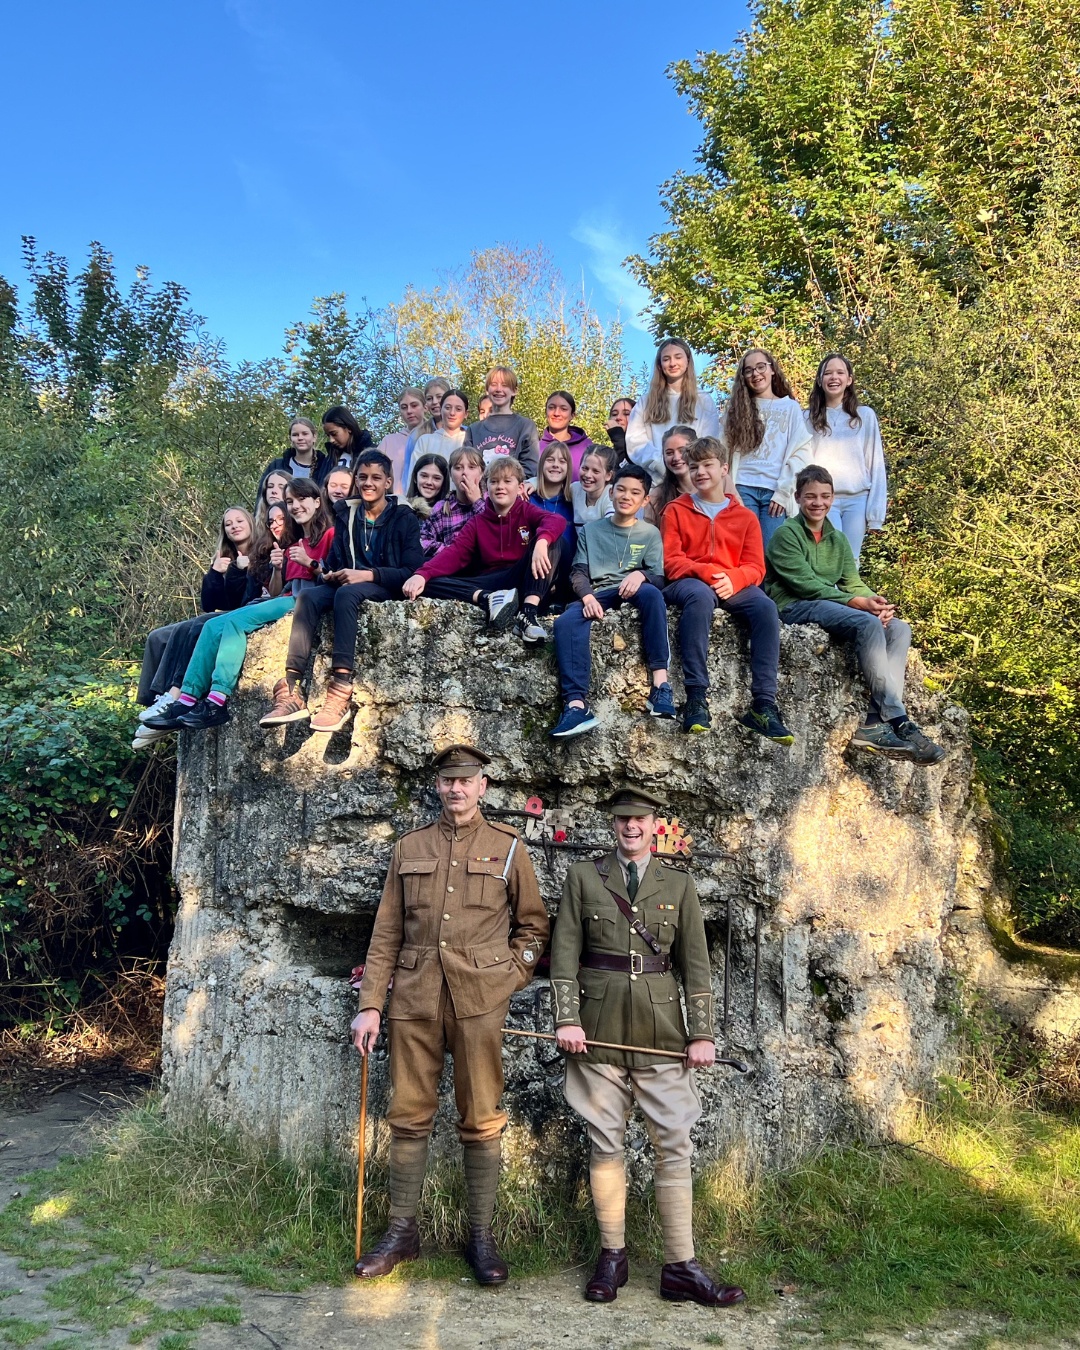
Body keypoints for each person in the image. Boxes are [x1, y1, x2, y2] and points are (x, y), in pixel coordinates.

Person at [351, 744, 549, 1286]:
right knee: (408, 1112)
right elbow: (386, 933)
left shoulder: (508, 847)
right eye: (447, 781)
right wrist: (371, 1005)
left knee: (481, 1115)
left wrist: (508, 977)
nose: (456, 789)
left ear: (482, 786)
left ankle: (480, 1236)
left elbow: (534, 927)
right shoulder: (409, 847)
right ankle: (402, 1232)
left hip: (479, 1001)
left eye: (466, 781)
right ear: (437, 786)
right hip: (414, 999)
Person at [550, 785, 745, 1309]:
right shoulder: (584, 876)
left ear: (655, 824)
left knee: (674, 1143)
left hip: (662, 1032)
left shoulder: (678, 884)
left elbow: (696, 965)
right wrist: (567, 1019)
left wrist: (701, 1033)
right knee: (605, 1143)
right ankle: (612, 1257)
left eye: (639, 819)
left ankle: (680, 1266)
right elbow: (564, 954)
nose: (631, 827)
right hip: (597, 1028)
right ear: (613, 824)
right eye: (622, 819)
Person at [765, 465, 945, 764]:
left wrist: (875, 601)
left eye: (825, 496)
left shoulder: (837, 539)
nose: (818, 503)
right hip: (794, 605)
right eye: (810, 496)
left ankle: (874, 722)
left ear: (832, 497)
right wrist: (857, 603)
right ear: (797, 498)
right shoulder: (786, 534)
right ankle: (899, 720)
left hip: (828, 604)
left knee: (899, 629)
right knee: (866, 621)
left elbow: (852, 581)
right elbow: (805, 584)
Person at [143, 479, 334, 733]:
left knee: (234, 622)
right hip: (284, 597)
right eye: (290, 502)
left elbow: (334, 577)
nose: (295, 506)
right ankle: (186, 699)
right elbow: (276, 590)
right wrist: (278, 568)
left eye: (301, 499)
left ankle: (217, 699)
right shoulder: (295, 542)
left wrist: (311, 563)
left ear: (317, 502)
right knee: (211, 626)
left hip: (303, 600)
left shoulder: (329, 535)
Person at [260, 450, 425, 732]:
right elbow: (334, 563)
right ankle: (292, 687)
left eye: (376, 478)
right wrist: (329, 572)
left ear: (388, 482)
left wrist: (367, 574)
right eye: (362, 477)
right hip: (350, 583)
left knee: (346, 595)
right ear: (356, 481)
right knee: (309, 596)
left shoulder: (403, 517)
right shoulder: (346, 514)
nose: (368, 483)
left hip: (387, 585)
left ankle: (340, 689)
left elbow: (411, 569)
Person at [662, 437, 792, 743]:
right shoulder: (675, 510)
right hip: (690, 580)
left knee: (765, 607)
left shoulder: (745, 517)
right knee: (699, 597)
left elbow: (756, 567)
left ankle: (763, 705)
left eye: (707, 465)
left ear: (724, 469)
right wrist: (708, 573)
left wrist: (734, 578)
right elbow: (671, 562)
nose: (700, 472)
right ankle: (696, 698)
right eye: (694, 467)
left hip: (733, 582)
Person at [550, 463, 675, 739]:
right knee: (566, 622)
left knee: (652, 594)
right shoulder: (591, 531)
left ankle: (661, 686)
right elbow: (578, 572)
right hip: (600, 592)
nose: (626, 496)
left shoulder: (649, 533)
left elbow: (658, 578)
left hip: (634, 589)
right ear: (610, 492)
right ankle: (576, 706)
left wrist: (641, 575)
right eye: (621, 489)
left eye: (635, 492)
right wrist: (587, 597)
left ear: (645, 500)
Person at [134, 506, 262, 747]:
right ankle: (155, 703)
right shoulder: (225, 557)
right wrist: (214, 573)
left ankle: (176, 693)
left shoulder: (261, 553)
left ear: (251, 523)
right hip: (222, 611)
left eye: (239, 521)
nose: (234, 526)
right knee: (157, 637)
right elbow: (210, 604)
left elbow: (243, 600)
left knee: (194, 627)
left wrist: (239, 570)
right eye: (228, 524)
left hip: (242, 612)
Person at [403, 456, 564, 645]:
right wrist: (422, 574)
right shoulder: (477, 523)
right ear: (486, 488)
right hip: (492, 583)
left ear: (520, 487)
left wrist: (542, 542)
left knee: (555, 541)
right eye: (494, 482)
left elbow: (556, 520)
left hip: (524, 579)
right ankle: (487, 598)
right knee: (428, 583)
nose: (500, 487)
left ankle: (528, 614)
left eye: (507, 481)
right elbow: (454, 553)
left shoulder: (526, 510)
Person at [723, 348, 812, 549]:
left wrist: (784, 492)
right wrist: (731, 492)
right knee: (746, 550)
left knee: (771, 552)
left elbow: (801, 454)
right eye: (749, 370)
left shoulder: (790, 407)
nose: (756, 373)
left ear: (772, 370)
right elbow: (722, 454)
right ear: (743, 377)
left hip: (775, 492)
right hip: (742, 488)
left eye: (761, 367)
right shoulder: (736, 410)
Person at [805, 353, 887, 562]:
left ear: (849, 380)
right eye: (828, 373)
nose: (834, 377)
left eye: (840, 373)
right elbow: (801, 464)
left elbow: (875, 463)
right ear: (819, 380)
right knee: (828, 559)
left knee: (851, 561)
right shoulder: (807, 418)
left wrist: (875, 515)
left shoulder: (864, 416)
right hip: (823, 500)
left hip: (857, 500)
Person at [625, 340, 720, 485]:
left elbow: (709, 441)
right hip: (657, 481)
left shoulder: (703, 400)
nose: (672, 363)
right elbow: (635, 441)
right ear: (660, 365)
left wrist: (690, 465)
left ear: (688, 361)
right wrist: (660, 464)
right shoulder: (646, 401)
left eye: (678, 357)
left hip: (693, 482)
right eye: (666, 359)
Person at [464, 365, 539, 478]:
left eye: (505, 385)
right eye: (494, 384)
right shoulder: (473, 430)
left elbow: (529, 469)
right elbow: (467, 468)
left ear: (514, 391)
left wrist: (506, 485)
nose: (499, 389)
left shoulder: (526, 427)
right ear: (487, 390)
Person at [418, 446, 487, 559]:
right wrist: (454, 552)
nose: (464, 472)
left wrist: (477, 501)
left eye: (471, 467)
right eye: (458, 468)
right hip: (451, 565)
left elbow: (497, 533)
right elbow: (424, 540)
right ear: (450, 474)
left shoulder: (492, 501)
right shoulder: (441, 508)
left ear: (481, 473)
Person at [529, 442, 576, 600]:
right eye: (550, 460)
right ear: (542, 464)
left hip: (566, 575)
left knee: (557, 540)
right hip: (532, 571)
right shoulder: (527, 498)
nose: (556, 465)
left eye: (562, 461)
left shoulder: (574, 500)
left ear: (568, 468)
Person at [377, 387, 433, 494]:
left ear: (425, 407)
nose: (409, 411)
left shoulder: (435, 437)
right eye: (404, 407)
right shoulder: (389, 442)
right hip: (395, 500)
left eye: (414, 405)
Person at [261, 416, 332, 487]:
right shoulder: (277, 466)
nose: (300, 438)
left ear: (314, 437)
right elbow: (263, 491)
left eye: (305, 434)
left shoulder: (326, 467)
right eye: (295, 435)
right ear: (290, 439)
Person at [537, 390, 594, 478]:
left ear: (572, 415)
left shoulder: (587, 447)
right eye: (551, 407)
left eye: (563, 409)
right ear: (546, 412)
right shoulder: (534, 447)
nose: (556, 413)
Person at [646, 425, 695, 526]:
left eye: (682, 451)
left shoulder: (718, 484)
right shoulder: (656, 496)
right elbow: (650, 533)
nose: (676, 458)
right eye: (669, 453)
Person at [412, 389, 469, 465]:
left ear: (466, 414)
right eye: (447, 408)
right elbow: (414, 471)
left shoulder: (470, 440)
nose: (452, 413)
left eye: (458, 409)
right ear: (441, 410)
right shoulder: (425, 441)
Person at [571, 446, 616, 525]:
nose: (588, 475)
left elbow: (611, 526)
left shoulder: (611, 495)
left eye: (595, 471)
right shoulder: (574, 489)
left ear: (608, 475)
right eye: (585, 468)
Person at [322, 406, 374, 473]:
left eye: (334, 434)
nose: (331, 440)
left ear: (349, 428)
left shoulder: (372, 454)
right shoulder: (329, 459)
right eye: (328, 435)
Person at [404, 453, 450, 518]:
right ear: (415, 478)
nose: (429, 482)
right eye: (424, 476)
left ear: (444, 482)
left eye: (436, 478)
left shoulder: (451, 512)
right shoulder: (402, 510)